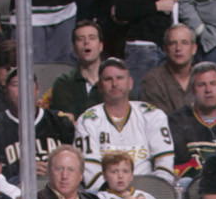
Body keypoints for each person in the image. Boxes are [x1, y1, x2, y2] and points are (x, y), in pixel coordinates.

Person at [74, 58, 174, 190]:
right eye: (108, 79)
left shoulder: (152, 115)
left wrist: (150, 193)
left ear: (130, 83)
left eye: (120, 78)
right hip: (104, 196)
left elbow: (165, 167)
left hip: (148, 193)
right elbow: (91, 173)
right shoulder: (87, 120)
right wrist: (115, 197)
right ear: (99, 86)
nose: (114, 84)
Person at [0, 68, 75, 183]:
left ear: (37, 90)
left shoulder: (59, 121)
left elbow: (77, 164)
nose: (23, 89)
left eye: (28, 83)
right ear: (6, 92)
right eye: (16, 84)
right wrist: (21, 171)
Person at [115, 0, 179, 88]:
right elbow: (121, 11)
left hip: (160, 46)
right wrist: (156, 6)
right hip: (143, 48)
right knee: (142, 102)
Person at [166, 61, 216, 179]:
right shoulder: (176, 121)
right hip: (193, 183)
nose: (208, 89)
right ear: (193, 91)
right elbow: (179, 164)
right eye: (201, 85)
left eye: (213, 83)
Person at [47, 20, 105, 120]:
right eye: (80, 39)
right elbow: (67, 122)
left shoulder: (114, 80)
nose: (86, 42)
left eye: (92, 38)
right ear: (74, 48)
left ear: (100, 46)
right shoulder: (64, 82)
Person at [138, 23, 196, 114]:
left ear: (194, 48)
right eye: (173, 43)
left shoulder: (203, 78)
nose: (178, 48)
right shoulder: (152, 80)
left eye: (184, 43)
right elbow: (158, 121)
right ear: (165, 49)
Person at [96, 149, 166, 199]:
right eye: (114, 172)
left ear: (131, 176)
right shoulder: (101, 198)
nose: (120, 176)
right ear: (105, 176)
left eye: (125, 171)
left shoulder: (144, 195)